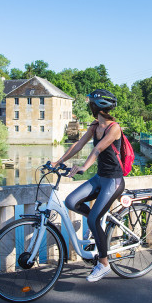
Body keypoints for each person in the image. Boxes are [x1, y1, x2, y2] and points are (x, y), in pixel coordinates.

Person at [52, 89, 125, 282]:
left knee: (93, 219)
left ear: (96, 106)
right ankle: (96, 223)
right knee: (71, 201)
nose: (88, 106)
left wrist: (84, 166)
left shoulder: (114, 128)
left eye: (90, 103)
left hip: (114, 180)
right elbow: (78, 145)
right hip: (100, 178)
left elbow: (98, 149)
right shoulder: (95, 126)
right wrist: (57, 162)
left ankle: (103, 263)